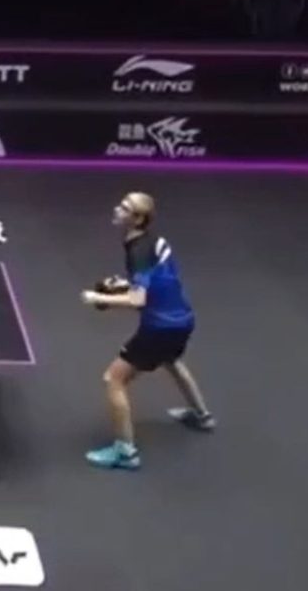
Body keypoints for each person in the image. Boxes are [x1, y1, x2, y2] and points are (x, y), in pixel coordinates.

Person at [80, 192, 215, 471]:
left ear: (138, 219)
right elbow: (156, 281)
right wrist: (124, 285)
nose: (118, 209)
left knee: (114, 379)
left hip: (160, 327)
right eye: (121, 204)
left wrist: (99, 298)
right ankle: (202, 415)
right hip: (183, 319)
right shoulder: (153, 241)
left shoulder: (138, 252)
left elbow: (137, 300)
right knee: (171, 360)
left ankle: (125, 452)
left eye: (125, 208)